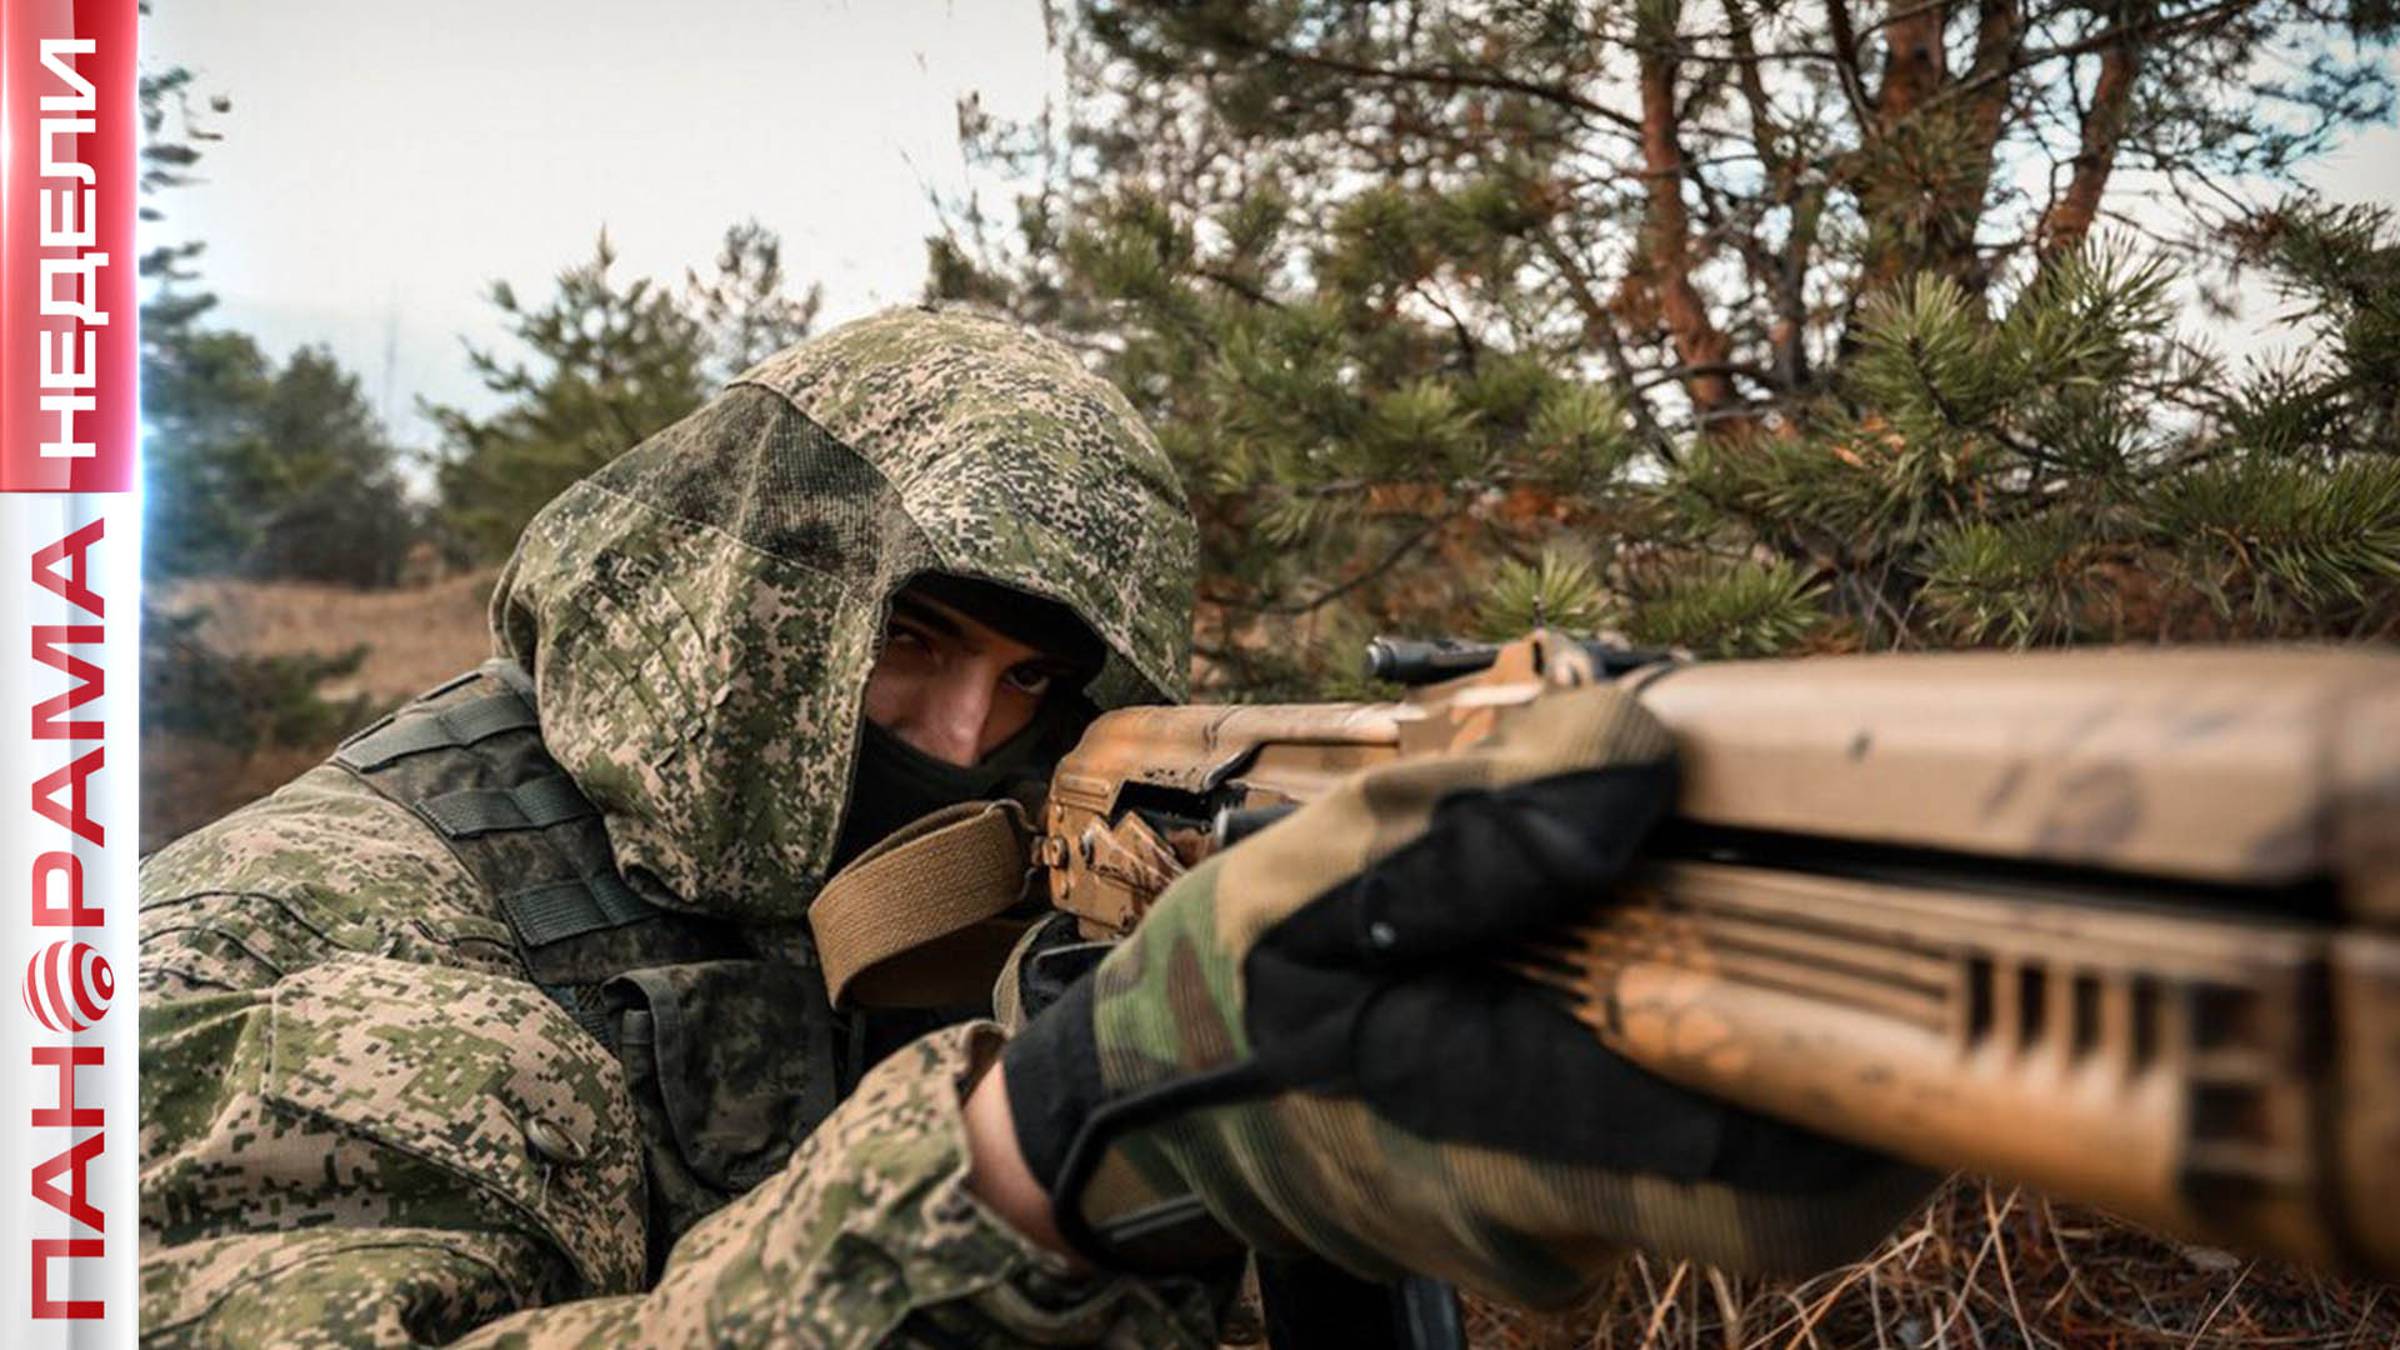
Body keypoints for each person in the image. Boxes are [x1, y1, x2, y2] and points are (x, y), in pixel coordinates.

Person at [138, 307, 1926, 1347]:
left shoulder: (1010, 865)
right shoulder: (306, 939)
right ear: (739, 597)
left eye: (1030, 684)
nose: (966, 736)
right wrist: (1039, 1149)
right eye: (907, 642)